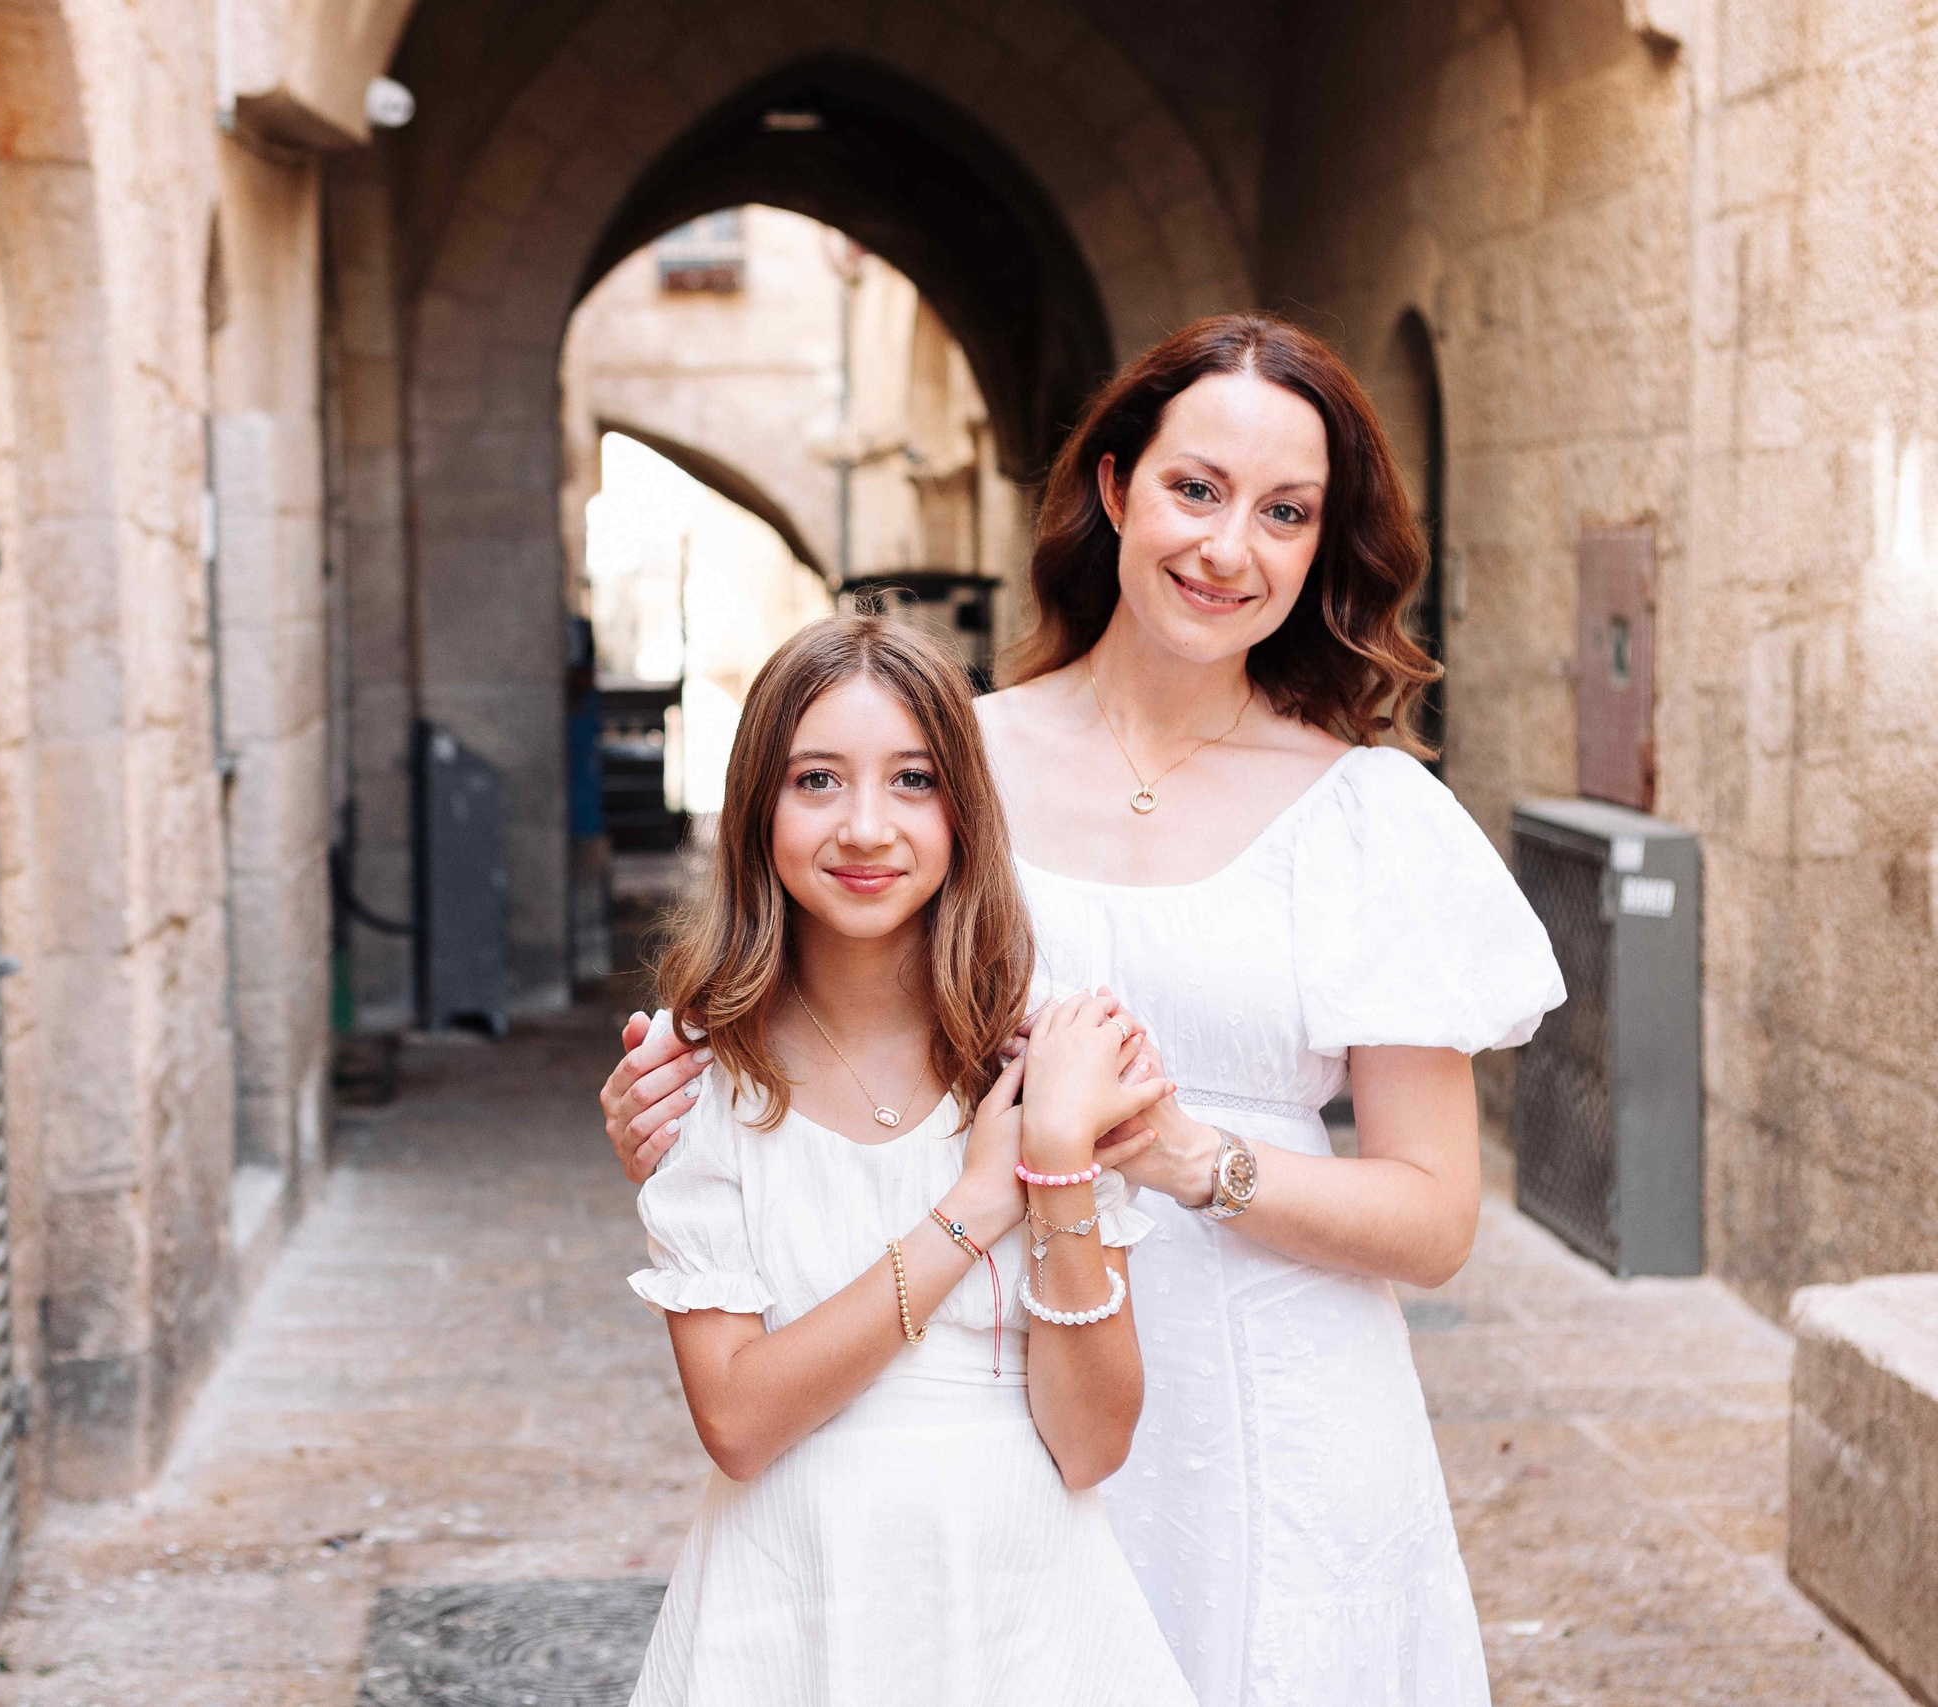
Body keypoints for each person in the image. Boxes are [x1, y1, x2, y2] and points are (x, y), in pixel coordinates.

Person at [605, 315, 1566, 1706]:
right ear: (1114, 488)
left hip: (1274, 1409)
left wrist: (1183, 1157)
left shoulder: (1374, 817)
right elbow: (794, 1018)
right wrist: (672, 1099)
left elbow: (1433, 1216)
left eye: (1285, 512)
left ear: (1319, 545)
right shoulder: (945, 764)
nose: (1229, 546)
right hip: (986, 1417)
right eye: (1195, 488)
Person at [623, 615, 1195, 1707]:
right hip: (787, 1603)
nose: (867, 828)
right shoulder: (702, 1069)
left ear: (962, 811)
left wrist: (1061, 1162)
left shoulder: (1048, 1052)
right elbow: (739, 1424)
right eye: (818, 781)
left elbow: (1090, 1445)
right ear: (756, 810)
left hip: (1024, 1611)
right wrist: (975, 1207)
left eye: (913, 780)